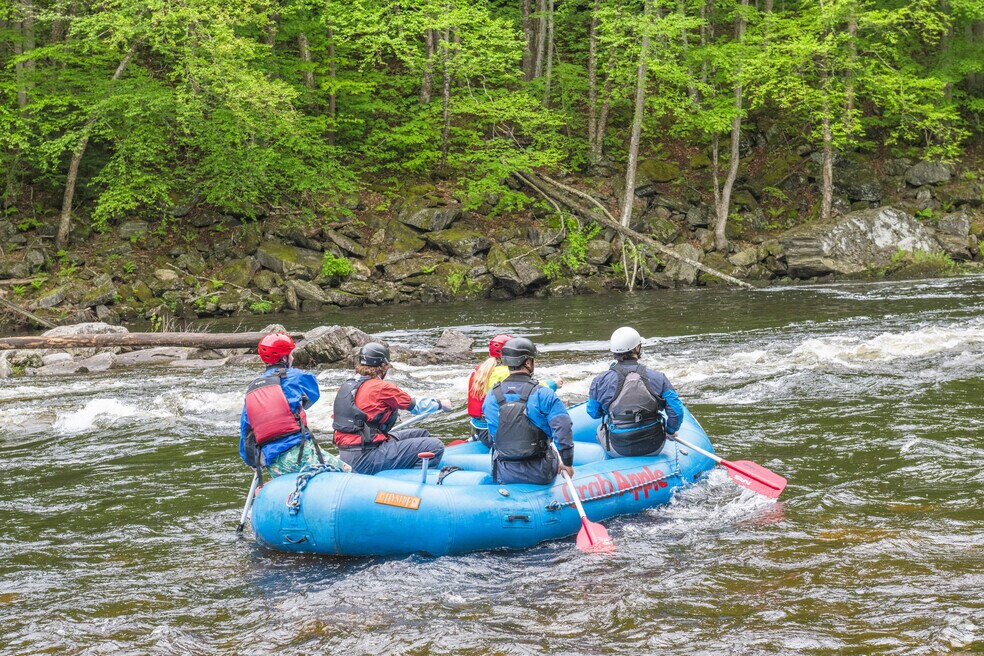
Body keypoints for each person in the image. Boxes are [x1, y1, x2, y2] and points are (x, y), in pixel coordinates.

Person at [239, 332, 349, 479]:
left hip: (273, 463)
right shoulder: (297, 376)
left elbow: (246, 432)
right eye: (290, 354)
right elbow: (313, 394)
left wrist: (253, 462)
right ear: (284, 358)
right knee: (348, 472)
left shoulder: (252, 390)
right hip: (300, 453)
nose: (293, 357)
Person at [333, 342, 450, 475]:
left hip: (348, 453)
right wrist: (440, 404)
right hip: (366, 457)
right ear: (383, 366)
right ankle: (411, 484)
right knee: (435, 446)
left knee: (421, 434)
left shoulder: (347, 386)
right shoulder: (381, 387)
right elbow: (416, 406)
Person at [483, 337, 574, 485]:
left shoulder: (491, 396)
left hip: (504, 472)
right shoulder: (543, 393)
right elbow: (563, 428)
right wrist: (567, 463)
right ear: (527, 362)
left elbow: (493, 433)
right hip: (541, 472)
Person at [587, 326, 684, 458]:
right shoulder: (658, 377)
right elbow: (676, 412)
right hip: (654, 446)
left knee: (600, 430)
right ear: (637, 348)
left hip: (618, 449)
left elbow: (593, 413)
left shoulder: (600, 381)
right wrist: (670, 431)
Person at [468, 334, 563, 448]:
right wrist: (554, 384)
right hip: (491, 435)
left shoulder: (480, 370)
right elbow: (534, 389)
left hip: (479, 428)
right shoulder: (505, 372)